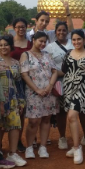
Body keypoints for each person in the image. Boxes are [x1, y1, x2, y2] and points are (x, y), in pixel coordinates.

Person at [0, 36, 27, 167]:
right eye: (1, 45)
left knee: (15, 125)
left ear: (11, 46)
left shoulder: (16, 63)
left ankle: (12, 153)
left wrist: (22, 101)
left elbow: (19, 83)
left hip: (13, 99)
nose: (3, 47)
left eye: (6, 45)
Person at [20, 31, 59, 160]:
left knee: (46, 119)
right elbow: (24, 74)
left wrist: (49, 87)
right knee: (33, 121)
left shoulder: (47, 55)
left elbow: (54, 71)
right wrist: (36, 89)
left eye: (44, 42)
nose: (42, 44)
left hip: (47, 92)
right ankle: (30, 147)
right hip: (33, 92)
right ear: (34, 40)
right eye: (40, 41)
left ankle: (43, 146)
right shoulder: (25, 55)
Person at [62, 29, 85, 165]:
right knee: (71, 118)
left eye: (79, 39)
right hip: (68, 89)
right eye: (74, 39)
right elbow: (64, 71)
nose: (76, 42)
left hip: (82, 89)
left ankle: (77, 148)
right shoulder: (68, 54)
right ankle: (76, 144)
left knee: (71, 116)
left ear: (84, 40)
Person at [44, 21, 73, 150]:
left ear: (67, 31)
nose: (61, 32)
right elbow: (48, 65)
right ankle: (62, 137)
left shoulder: (74, 42)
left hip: (75, 82)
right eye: (59, 30)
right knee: (61, 111)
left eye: (64, 30)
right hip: (59, 82)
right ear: (55, 32)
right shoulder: (50, 47)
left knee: (76, 110)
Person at [9, 17, 32, 153]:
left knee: (21, 111)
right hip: (11, 79)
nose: (21, 29)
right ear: (14, 28)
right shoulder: (9, 42)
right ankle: (1, 142)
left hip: (25, 80)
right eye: (18, 27)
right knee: (9, 110)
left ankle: (18, 140)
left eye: (23, 26)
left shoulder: (30, 43)